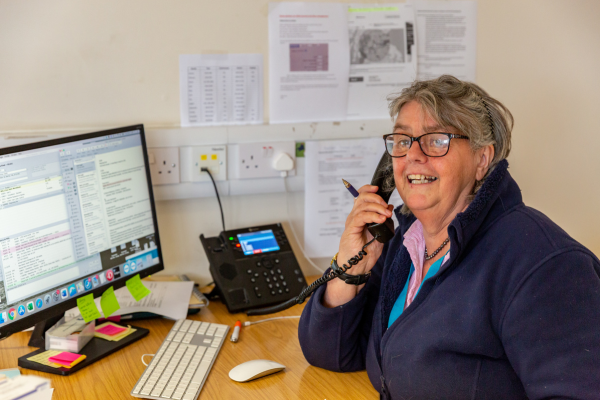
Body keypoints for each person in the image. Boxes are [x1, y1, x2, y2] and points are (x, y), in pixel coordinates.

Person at [298, 75, 600, 399]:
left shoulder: (545, 266)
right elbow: (331, 352)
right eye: (402, 140)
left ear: (482, 159)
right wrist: (351, 265)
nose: (413, 155)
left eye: (436, 140)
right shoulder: (405, 244)